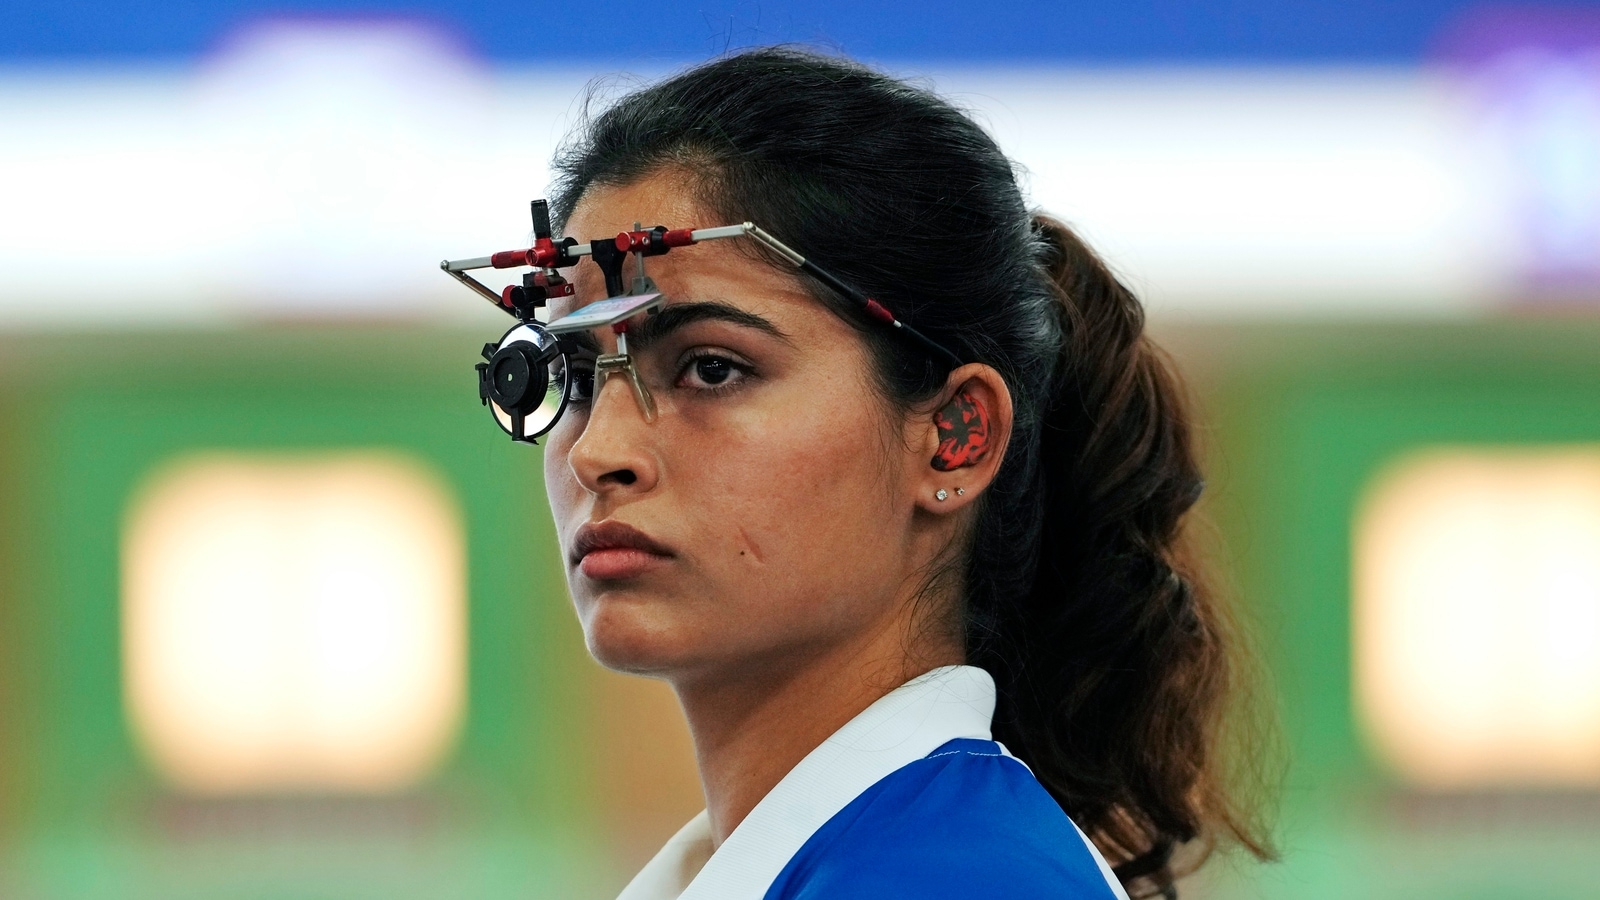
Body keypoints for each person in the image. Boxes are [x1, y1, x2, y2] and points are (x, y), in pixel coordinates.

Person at [535, 48, 1272, 900]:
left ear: (955, 437)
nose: (597, 451)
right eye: (578, 377)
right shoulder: (826, 859)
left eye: (711, 368)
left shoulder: (959, 878)